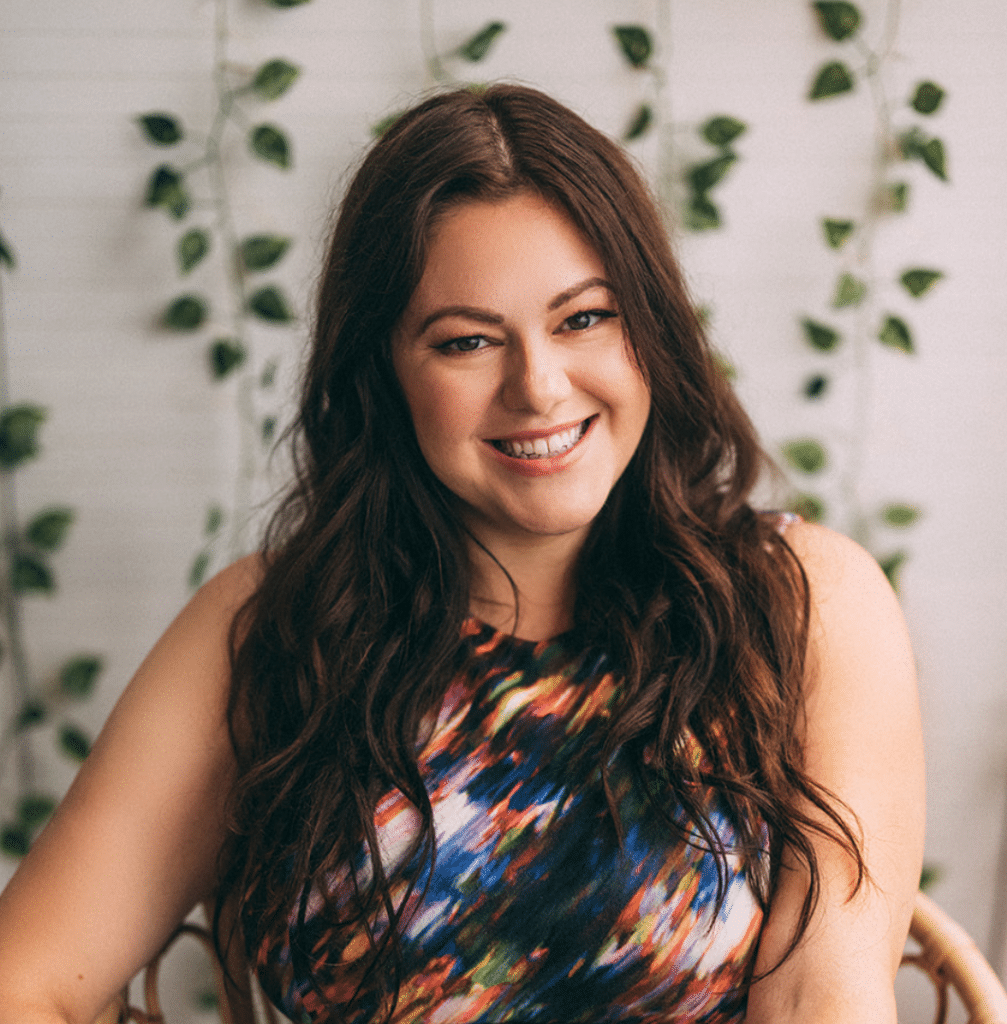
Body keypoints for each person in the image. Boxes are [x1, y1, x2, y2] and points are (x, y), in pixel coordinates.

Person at [0, 84, 923, 1024]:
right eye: (468, 341)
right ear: (384, 373)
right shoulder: (272, 632)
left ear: (652, 327)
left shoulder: (805, 601)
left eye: (584, 318)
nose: (539, 386)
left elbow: (824, 998)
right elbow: (24, 979)